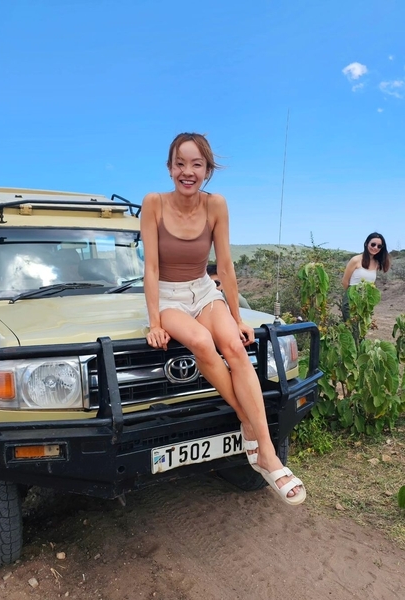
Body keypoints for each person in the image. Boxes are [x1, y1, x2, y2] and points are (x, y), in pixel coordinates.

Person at [140, 132, 306, 505]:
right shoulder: (153, 204)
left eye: (196, 164)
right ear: (169, 169)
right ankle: (250, 425)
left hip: (204, 290)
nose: (188, 171)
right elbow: (151, 267)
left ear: (207, 170)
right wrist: (154, 322)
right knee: (199, 340)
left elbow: (226, 266)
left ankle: (266, 452)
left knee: (234, 343)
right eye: (180, 163)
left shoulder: (216, 205)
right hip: (167, 296)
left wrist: (237, 315)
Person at [341, 232, 390, 322]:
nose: (375, 248)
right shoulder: (356, 260)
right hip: (352, 301)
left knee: (361, 330)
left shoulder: (377, 264)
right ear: (366, 243)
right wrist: (351, 298)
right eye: (373, 244)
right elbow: (345, 282)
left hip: (365, 302)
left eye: (379, 246)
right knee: (352, 330)